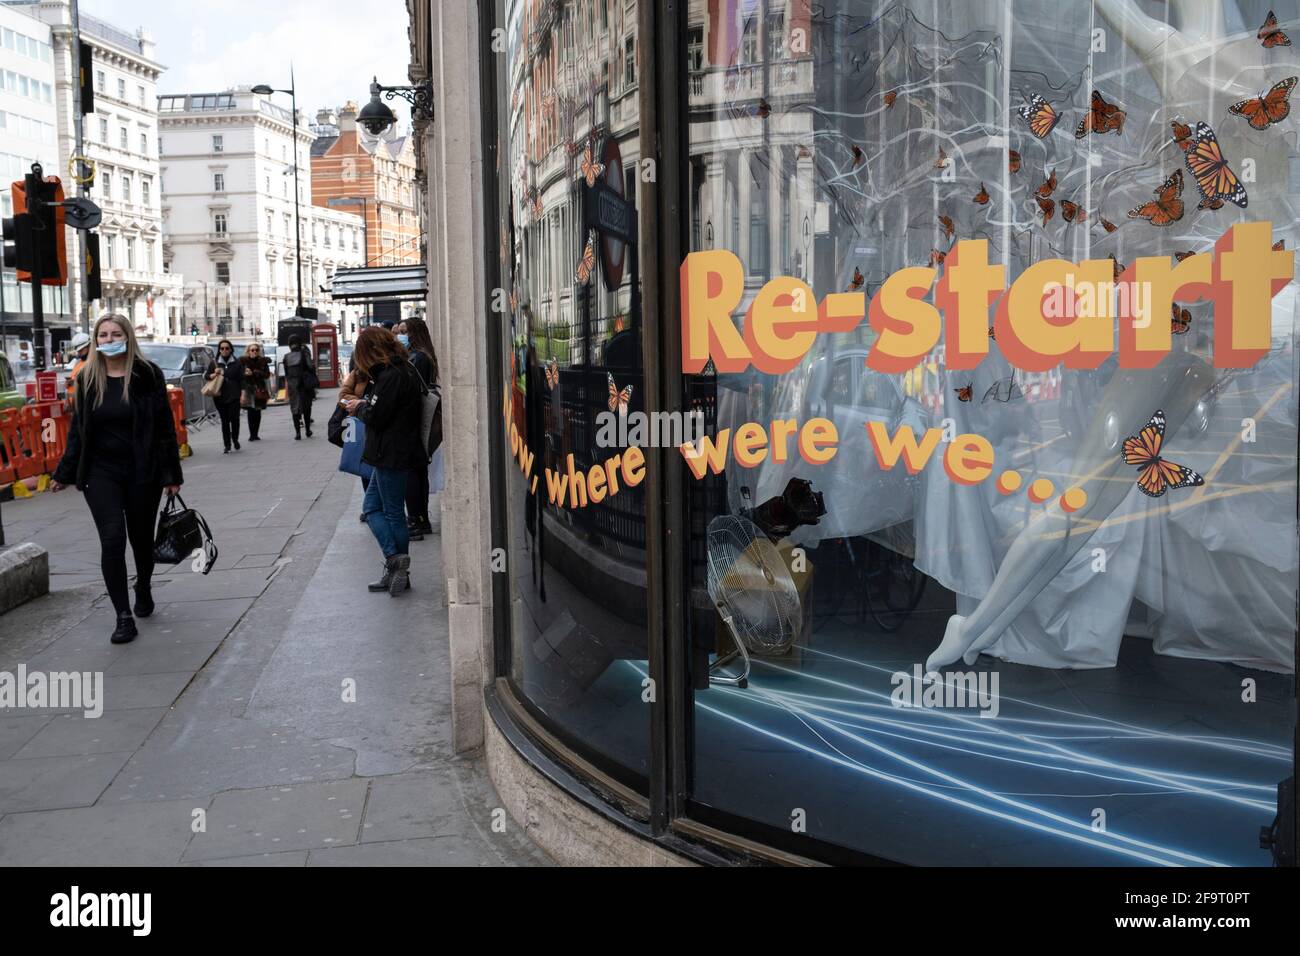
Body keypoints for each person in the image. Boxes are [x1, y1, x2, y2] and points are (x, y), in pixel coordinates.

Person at [50, 314, 183, 644]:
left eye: (115, 334)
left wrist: (170, 473)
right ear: (96, 341)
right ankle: (123, 616)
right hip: (100, 472)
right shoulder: (87, 378)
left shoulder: (147, 374)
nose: (109, 340)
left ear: (128, 337)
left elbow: (164, 426)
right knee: (112, 539)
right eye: (103, 335)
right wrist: (64, 473)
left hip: (142, 469)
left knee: (140, 540)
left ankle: (144, 586)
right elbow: (79, 431)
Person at [340, 326, 424, 596]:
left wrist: (359, 407)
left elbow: (378, 416)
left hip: (391, 453)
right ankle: (397, 569)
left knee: (390, 512)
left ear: (369, 351)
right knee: (373, 507)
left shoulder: (392, 375)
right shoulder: (400, 370)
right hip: (390, 452)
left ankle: (395, 560)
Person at [399, 317, 440, 539]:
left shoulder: (419, 358)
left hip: (414, 423)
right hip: (417, 421)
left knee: (412, 474)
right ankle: (420, 518)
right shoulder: (421, 355)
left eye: (404, 331)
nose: (401, 335)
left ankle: (416, 519)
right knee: (418, 472)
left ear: (414, 332)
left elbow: (414, 391)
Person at [205, 339, 244, 453]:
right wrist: (213, 374)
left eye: (227, 348)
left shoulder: (237, 363)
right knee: (225, 421)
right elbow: (206, 376)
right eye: (222, 348)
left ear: (231, 349)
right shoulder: (215, 362)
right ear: (219, 350)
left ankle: (235, 439)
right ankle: (227, 444)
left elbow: (241, 379)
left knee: (234, 419)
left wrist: (243, 393)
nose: (224, 350)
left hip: (234, 395)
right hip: (220, 396)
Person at [283, 334, 315, 439]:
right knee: (307, 408)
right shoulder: (304, 354)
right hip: (304, 385)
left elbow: (286, 373)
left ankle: (297, 433)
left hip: (293, 386)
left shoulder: (286, 357)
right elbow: (310, 367)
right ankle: (307, 430)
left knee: (295, 409)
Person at [240, 342, 272, 440]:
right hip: (248, 388)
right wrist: (246, 374)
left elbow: (267, 374)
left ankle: (256, 434)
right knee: (250, 411)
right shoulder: (243, 361)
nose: (254, 352)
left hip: (259, 388)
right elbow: (240, 374)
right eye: (252, 350)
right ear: (248, 351)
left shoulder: (263, 361)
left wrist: (255, 372)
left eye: (256, 350)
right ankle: (252, 434)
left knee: (257, 411)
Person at [64, 330, 92, 407]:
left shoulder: (94, 364)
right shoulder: (78, 363)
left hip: (85, 405)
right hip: (75, 404)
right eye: (78, 351)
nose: (79, 353)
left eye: (81, 350)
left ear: (89, 346)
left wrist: (75, 383)